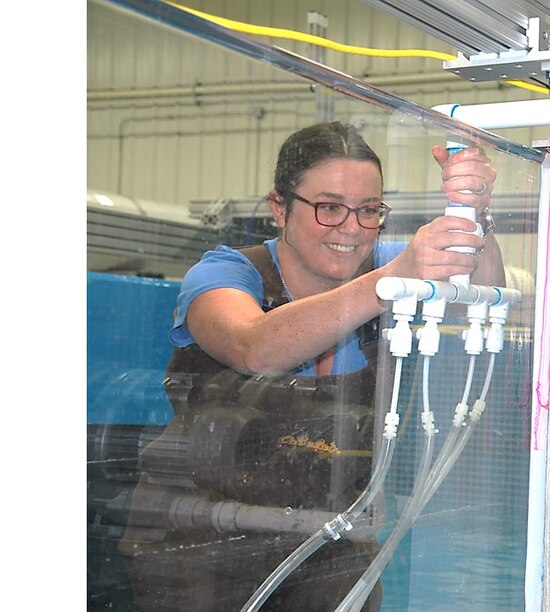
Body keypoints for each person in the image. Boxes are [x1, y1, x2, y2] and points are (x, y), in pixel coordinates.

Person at [120, 121, 504, 611]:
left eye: (369, 211)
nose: (351, 228)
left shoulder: (384, 268)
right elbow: (254, 346)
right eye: (329, 208)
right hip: (197, 543)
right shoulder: (224, 272)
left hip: (331, 543)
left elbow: (481, 286)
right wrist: (393, 278)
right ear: (279, 207)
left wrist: (475, 209)